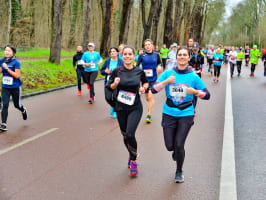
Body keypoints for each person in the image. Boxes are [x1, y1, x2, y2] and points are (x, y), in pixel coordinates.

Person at [151, 46, 210, 183]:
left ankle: (179, 171)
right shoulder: (168, 73)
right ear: (176, 57)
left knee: (179, 144)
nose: (182, 57)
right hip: (169, 112)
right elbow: (154, 89)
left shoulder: (193, 77)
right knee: (169, 146)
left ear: (189, 58)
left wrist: (194, 92)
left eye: (185, 55)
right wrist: (166, 82)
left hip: (186, 112)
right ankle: (176, 152)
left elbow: (207, 95)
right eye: (180, 54)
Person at [107, 45, 148, 177]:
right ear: (121, 55)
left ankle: (134, 160)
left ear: (134, 56)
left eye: (130, 54)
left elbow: (146, 83)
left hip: (135, 107)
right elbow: (110, 86)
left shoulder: (139, 71)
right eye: (125, 54)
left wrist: (143, 88)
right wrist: (115, 84)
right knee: (125, 135)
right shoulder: (117, 71)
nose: (128, 56)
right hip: (120, 107)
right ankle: (132, 154)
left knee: (130, 134)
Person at [0, 44, 28, 132]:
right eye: (5, 50)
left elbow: (17, 75)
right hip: (5, 87)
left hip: (15, 87)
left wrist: (7, 68)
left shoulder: (16, 62)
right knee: (5, 105)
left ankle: (23, 110)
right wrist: (1, 68)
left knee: (17, 105)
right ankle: (3, 124)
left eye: (8, 50)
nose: (6, 52)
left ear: (13, 52)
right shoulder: (1, 60)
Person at [136, 39, 163, 123]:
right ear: (144, 47)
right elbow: (137, 66)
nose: (147, 46)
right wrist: (141, 71)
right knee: (147, 97)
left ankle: (149, 115)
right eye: (146, 45)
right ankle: (150, 103)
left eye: (149, 44)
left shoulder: (156, 55)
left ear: (152, 45)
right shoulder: (142, 55)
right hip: (144, 79)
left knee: (151, 96)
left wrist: (159, 66)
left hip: (153, 79)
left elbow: (160, 63)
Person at [101, 47, 124, 118]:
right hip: (108, 81)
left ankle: (115, 111)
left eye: (114, 51)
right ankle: (113, 106)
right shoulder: (107, 61)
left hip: (117, 82)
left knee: (115, 97)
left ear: (117, 53)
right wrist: (105, 71)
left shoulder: (121, 62)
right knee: (107, 98)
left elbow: (124, 71)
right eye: (111, 52)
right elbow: (102, 71)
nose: (112, 53)